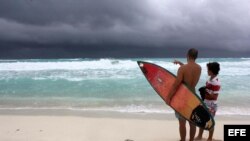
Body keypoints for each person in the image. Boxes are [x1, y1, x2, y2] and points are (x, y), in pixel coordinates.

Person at [166, 48, 202, 141]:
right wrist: (180, 63)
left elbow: (176, 84)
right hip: (193, 96)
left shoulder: (182, 69)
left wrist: (168, 97)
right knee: (192, 122)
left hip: (183, 97)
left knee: (182, 122)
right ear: (196, 57)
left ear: (188, 55)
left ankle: (182, 140)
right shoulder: (199, 68)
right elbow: (189, 73)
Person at [195, 62, 221, 141]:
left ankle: (209, 138)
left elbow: (215, 96)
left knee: (210, 121)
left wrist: (205, 94)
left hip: (212, 105)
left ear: (212, 71)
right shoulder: (210, 79)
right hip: (205, 102)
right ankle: (200, 136)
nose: (207, 71)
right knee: (202, 119)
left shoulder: (216, 82)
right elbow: (209, 91)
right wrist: (205, 92)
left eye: (208, 70)